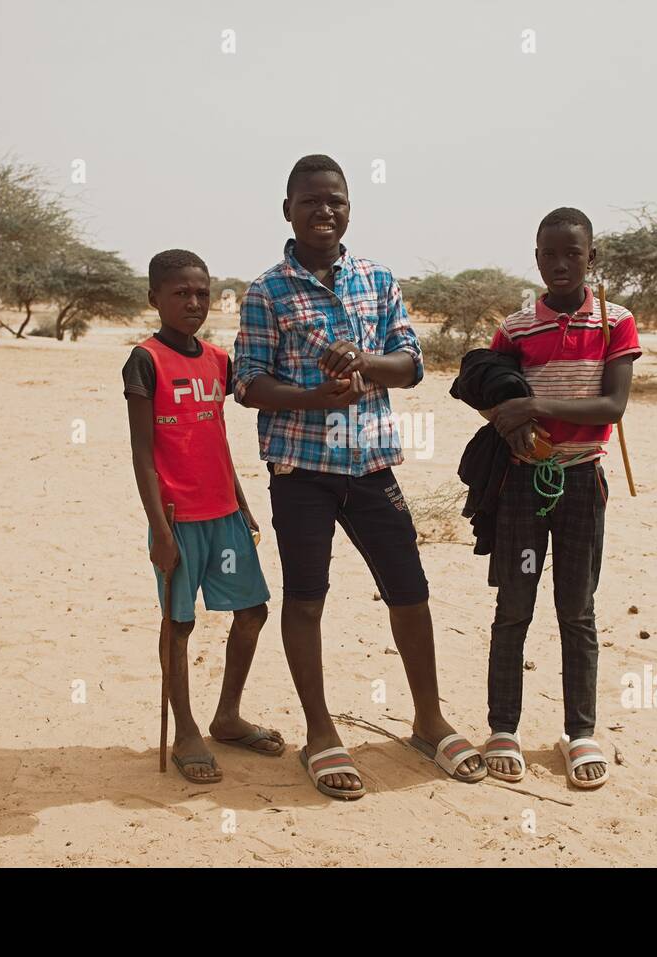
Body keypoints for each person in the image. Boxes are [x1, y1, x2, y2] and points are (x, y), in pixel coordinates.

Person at [234, 155, 485, 800]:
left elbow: (412, 364)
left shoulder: (377, 278)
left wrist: (363, 362)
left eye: (337, 200)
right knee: (306, 597)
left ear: (350, 207)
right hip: (300, 470)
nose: (326, 211)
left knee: (410, 590)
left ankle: (428, 721)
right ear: (286, 208)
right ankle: (320, 732)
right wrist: (317, 397)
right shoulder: (267, 290)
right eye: (312, 200)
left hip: (372, 465)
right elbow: (248, 384)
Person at [477, 207, 640, 789]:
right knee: (514, 607)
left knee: (577, 610)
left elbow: (612, 407)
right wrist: (510, 419)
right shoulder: (517, 327)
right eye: (550, 253)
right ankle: (503, 727)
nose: (561, 263)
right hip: (524, 484)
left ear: (590, 257)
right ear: (537, 257)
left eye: (573, 253)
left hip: (582, 482)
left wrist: (534, 407)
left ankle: (581, 732)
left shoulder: (614, 322)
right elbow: (491, 392)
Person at [123, 249, 281, 784]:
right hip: (176, 516)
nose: (193, 303)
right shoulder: (144, 360)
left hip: (225, 512)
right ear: (155, 298)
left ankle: (228, 716)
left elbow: (215, 436)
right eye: (180, 294)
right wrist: (160, 532)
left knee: (253, 611)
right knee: (180, 622)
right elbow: (142, 452)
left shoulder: (218, 359)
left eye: (201, 294)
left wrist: (242, 501)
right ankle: (187, 729)